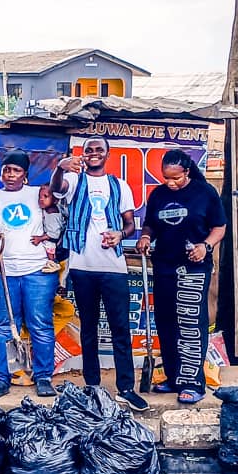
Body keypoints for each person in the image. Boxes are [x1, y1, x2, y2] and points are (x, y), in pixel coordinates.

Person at [50, 137, 148, 411]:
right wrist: (59, 167)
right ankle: (92, 386)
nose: (93, 154)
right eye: (89, 150)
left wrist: (120, 235)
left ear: (107, 154)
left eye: (99, 150)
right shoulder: (73, 180)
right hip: (82, 267)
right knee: (89, 329)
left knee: (120, 328)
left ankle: (126, 388)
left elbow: (130, 225)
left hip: (113, 267)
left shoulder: (119, 186)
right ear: (83, 154)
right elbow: (56, 189)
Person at [136, 149, 227, 405]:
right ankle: (174, 377)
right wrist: (145, 237)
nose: (170, 183)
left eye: (175, 178)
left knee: (191, 324)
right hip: (164, 267)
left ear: (187, 172)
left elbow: (219, 227)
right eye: (166, 177)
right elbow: (150, 224)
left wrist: (205, 246)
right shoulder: (159, 194)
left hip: (193, 269)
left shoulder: (205, 192)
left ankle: (192, 382)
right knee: (166, 323)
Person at [0, 150, 57, 399]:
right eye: (7, 170)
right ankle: (2, 378)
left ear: (25, 175)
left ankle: (43, 377)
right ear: (1, 174)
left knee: (40, 324)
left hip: (37, 271)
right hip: (1, 271)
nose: (11, 175)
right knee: (5, 326)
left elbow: (58, 213)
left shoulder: (38, 193)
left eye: (16, 171)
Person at [31, 183, 63, 274]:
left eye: (45, 196)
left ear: (55, 200)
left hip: (52, 238)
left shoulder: (52, 212)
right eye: (39, 197)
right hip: (50, 234)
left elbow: (54, 234)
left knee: (49, 246)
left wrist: (40, 238)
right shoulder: (47, 209)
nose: (41, 199)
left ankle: (53, 263)